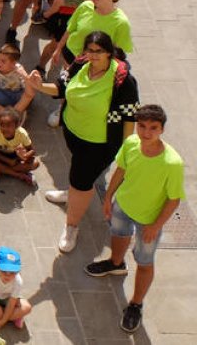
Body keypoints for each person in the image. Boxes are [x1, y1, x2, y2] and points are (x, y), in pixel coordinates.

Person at [26, 31, 139, 254]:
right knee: (78, 171)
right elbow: (60, 88)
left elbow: (129, 117)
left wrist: (126, 151)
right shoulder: (81, 64)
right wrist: (38, 85)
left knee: (82, 180)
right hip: (72, 131)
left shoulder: (123, 81)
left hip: (100, 143)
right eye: (90, 51)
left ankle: (71, 226)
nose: (94, 56)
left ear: (109, 53)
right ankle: (74, 192)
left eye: (99, 52)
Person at [84, 105, 186, 334]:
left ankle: (136, 304)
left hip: (149, 220)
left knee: (145, 261)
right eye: (142, 126)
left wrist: (155, 226)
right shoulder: (131, 143)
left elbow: (174, 200)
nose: (146, 132)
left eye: (153, 128)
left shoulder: (172, 163)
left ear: (162, 130)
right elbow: (120, 169)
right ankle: (116, 263)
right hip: (123, 205)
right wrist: (109, 197)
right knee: (118, 235)